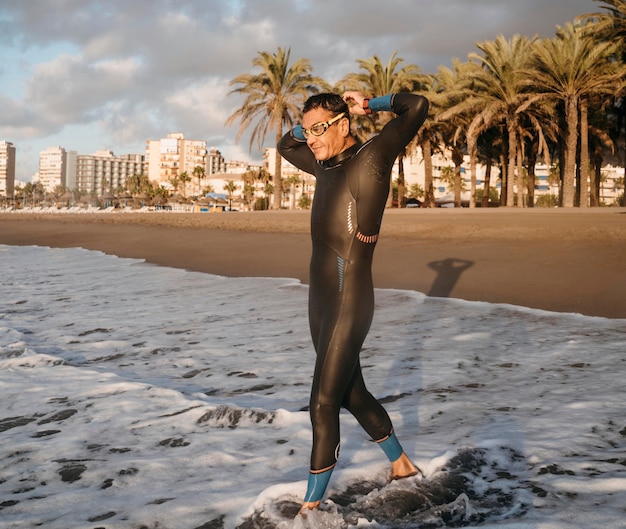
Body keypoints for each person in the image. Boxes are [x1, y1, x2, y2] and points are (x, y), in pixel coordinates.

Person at [277, 90, 429, 512]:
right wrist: (309, 129)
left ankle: (309, 510)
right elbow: (284, 144)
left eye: (320, 129)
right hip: (320, 299)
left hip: (350, 294)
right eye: (308, 130)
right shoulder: (320, 162)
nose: (310, 139)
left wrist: (371, 105)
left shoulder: (374, 156)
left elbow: (415, 107)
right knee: (350, 393)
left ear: (344, 124)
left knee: (322, 402)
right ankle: (400, 464)